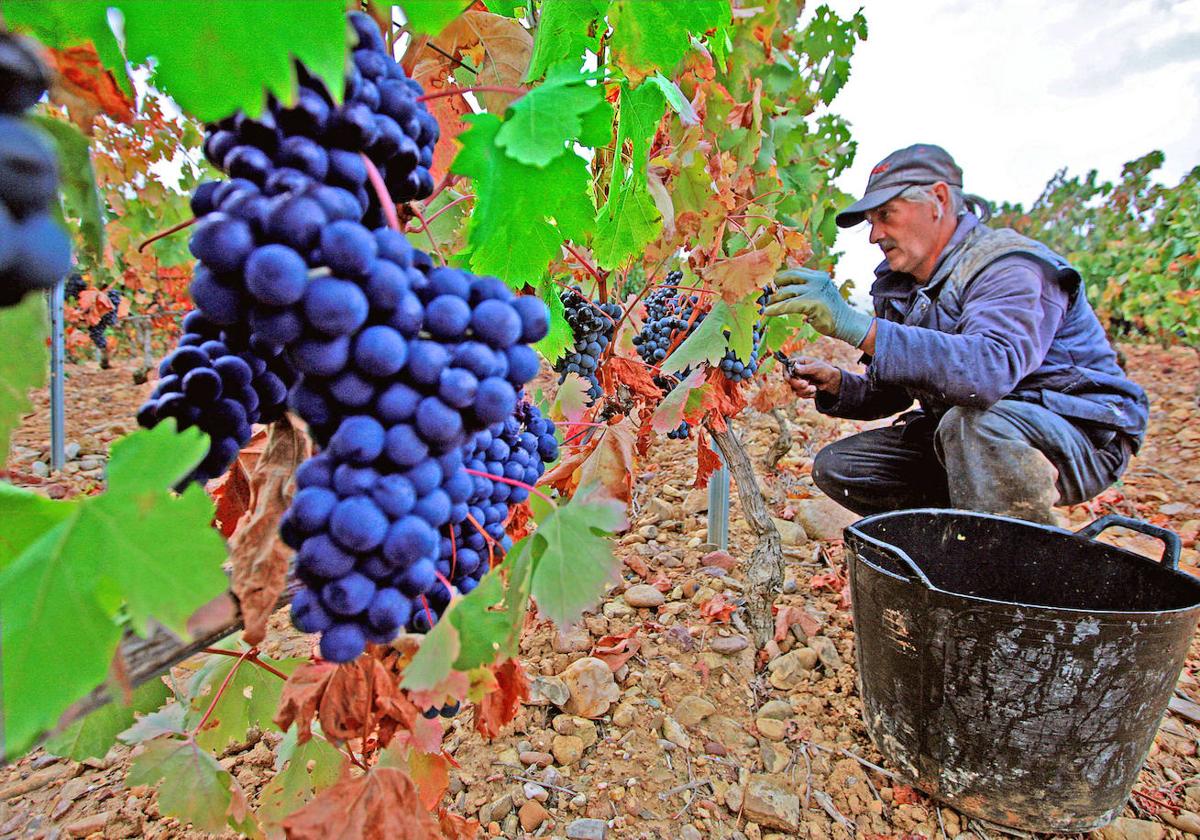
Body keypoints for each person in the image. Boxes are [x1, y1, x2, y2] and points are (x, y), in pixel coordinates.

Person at [763, 144, 1148, 525]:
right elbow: (898, 389)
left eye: (885, 215)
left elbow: (988, 372)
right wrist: (837, 384)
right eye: (870, 221)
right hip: (971, 432)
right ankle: (957, 538)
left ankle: (1015, 564)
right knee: (845, 468)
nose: (874, 234)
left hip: (1076, 433)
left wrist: (859, 327)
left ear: (938, 200)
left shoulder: (1008, 265)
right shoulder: (901, 285)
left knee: (972, 424)